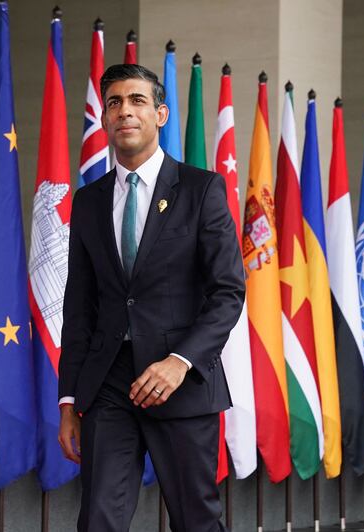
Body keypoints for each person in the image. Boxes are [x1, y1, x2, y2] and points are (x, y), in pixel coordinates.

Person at [57, 63, 245, 532]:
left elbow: (228, 291)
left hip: (179, 380)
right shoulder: (89, 201)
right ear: (104, 119)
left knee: (195, 519)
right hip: (107, 387)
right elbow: (79, 305)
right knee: (98, 517)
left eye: (137, 101)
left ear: (160, 114)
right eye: (115, 102)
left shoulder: (202, 189)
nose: (125, 111)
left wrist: (180, 360)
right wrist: (68, 400)